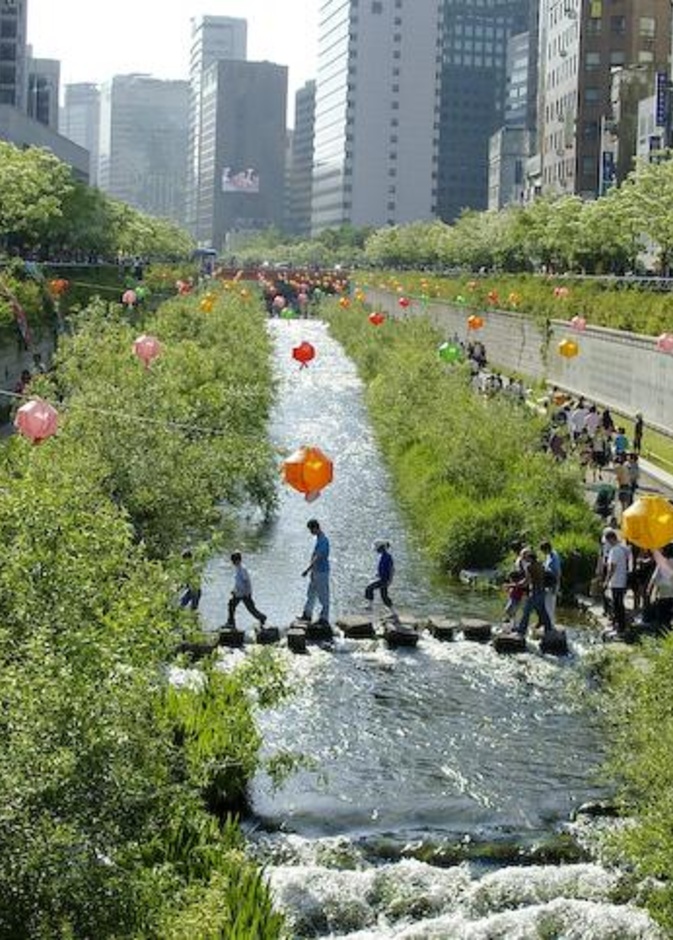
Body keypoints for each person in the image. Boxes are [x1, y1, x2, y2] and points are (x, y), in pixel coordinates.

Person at [515, 549, 554, 638]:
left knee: (526, 611)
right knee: (542, 611)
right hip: (542, 591)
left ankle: (521, 631)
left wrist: (516, 585)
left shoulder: (530, 567)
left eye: (526, 557)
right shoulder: (540, 564)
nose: (525, 559)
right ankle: (548, 629)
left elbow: (527, 581)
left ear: (530, 558)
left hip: (535, 592)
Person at [299, 519, 330, 626]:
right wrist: (312, 572)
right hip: (316, 572)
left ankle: (324, 618)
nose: (310, 532)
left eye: (311, 530)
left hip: (322, 572)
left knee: (323, 595)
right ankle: (307, 615)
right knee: (311, 594)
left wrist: (307, 570)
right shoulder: (319, 539)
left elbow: (317, 557)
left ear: (316, 528)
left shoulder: (323, 540)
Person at [225, 551, 266, 629]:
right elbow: (238, 582)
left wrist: (247, 593)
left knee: (251, 610)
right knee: (231, 605)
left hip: (244, 593)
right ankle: (231, 622)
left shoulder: (242, 569)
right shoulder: (238, 568)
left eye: (233, 560)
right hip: (239, 593)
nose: (232, 562)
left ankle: (262, 618)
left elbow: (246, 581)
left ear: (238, 560)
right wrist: (234, 590)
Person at [603, 530, 631, 637]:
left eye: (607, 541)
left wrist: (606, 581)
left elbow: (612, 567)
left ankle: (620, 628)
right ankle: (619, 626)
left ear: (611, 539)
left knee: (617, 606)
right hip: (622, 580)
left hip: (616, 582)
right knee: (620, 605)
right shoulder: (623, 549)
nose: (607, 543)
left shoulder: (614, 550)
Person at [365, 539, 395, 611]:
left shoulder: (388, 557)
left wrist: (390, 580)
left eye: (377, 549)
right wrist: (379, 574)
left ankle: (370, 606)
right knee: (384, 596)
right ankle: (394, 613)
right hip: (383, 579)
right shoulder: (384, 556)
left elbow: (392, 569)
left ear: (381, 548)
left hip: (385, 580)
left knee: (369, 588)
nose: (376, 550)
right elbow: (383, 568)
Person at [540, 540, 562, 626]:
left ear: (546, 549)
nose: (543, 553)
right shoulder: (549, 555)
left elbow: (557, 572)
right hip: (548, 583)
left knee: (550, 605)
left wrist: (556, 586)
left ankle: (550, 624)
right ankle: (548, 623)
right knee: (547, 604)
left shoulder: (554, 557)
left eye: (543, 551)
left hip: (552, 583)